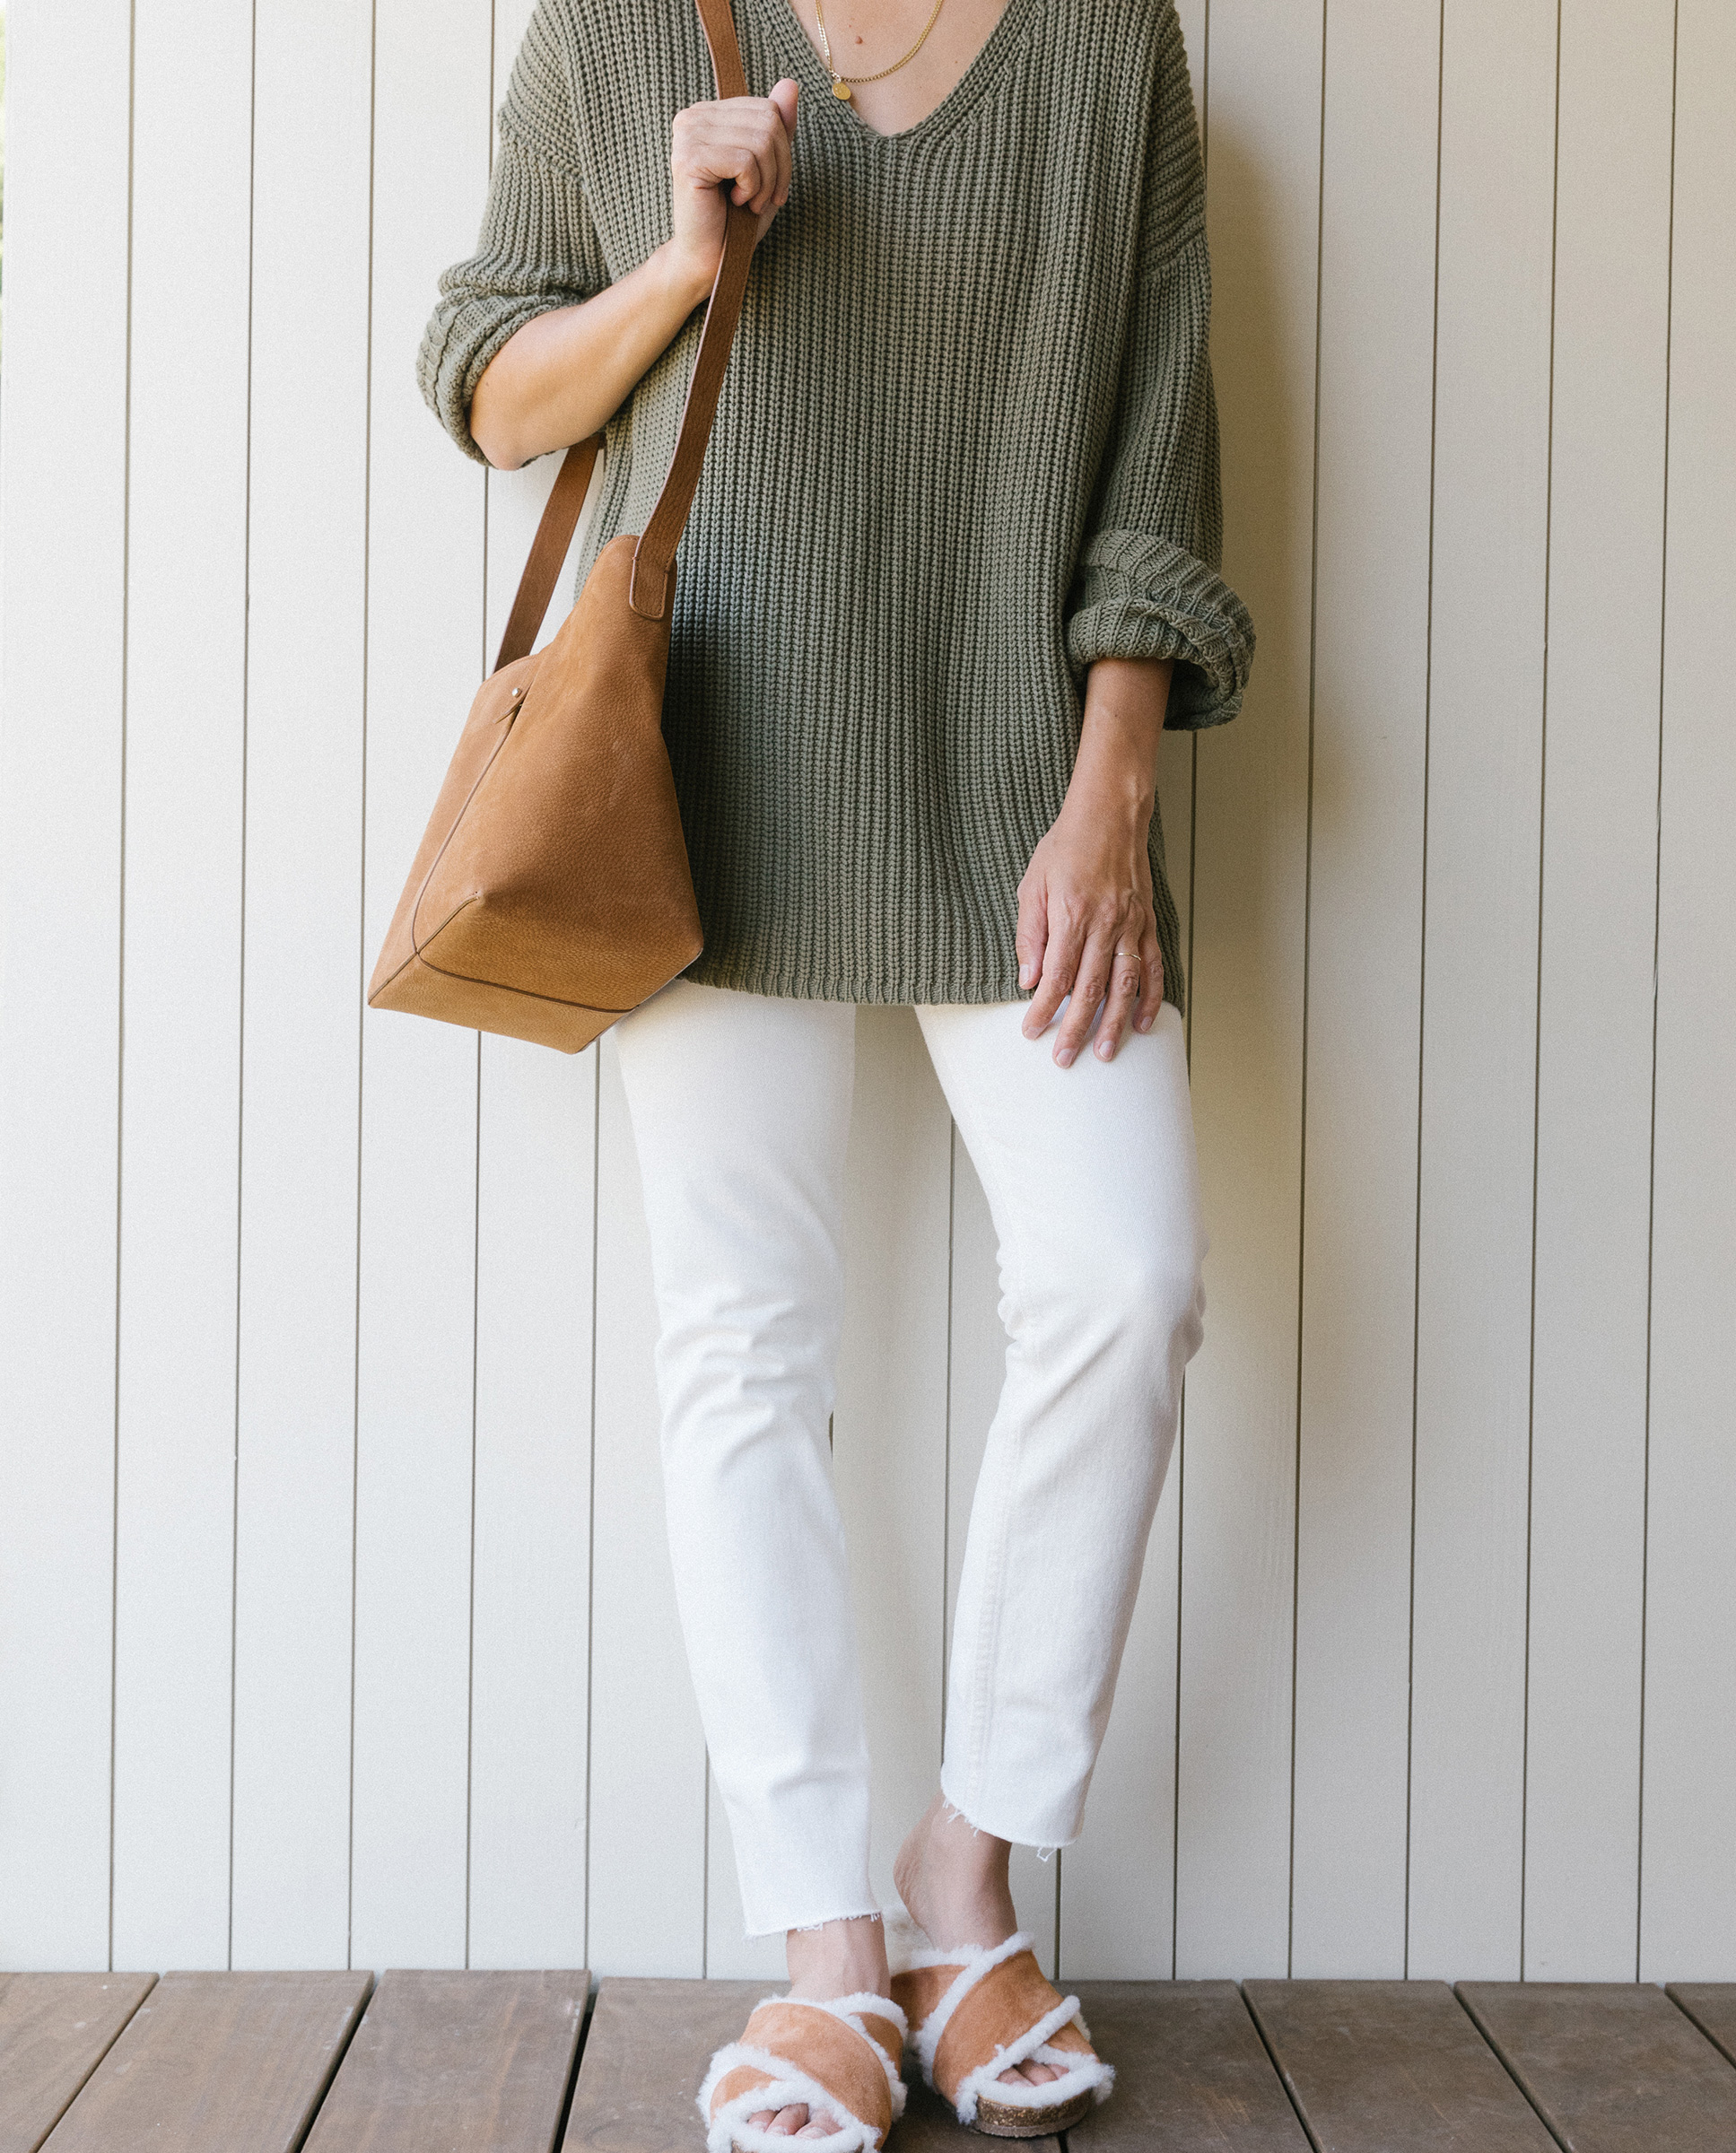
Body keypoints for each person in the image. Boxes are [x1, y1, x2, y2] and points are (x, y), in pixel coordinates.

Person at [419, 0, 1252, 2140]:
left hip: (1022, 791)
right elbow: (487, 384)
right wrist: (678, 270)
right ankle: (826, 1957)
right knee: (742, 1346)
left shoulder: (1105, 41)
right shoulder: (617, 23)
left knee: (1126, 1278)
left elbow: (1157, 438)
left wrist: (1114, 789)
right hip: (699, 779)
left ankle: (964, 1875)